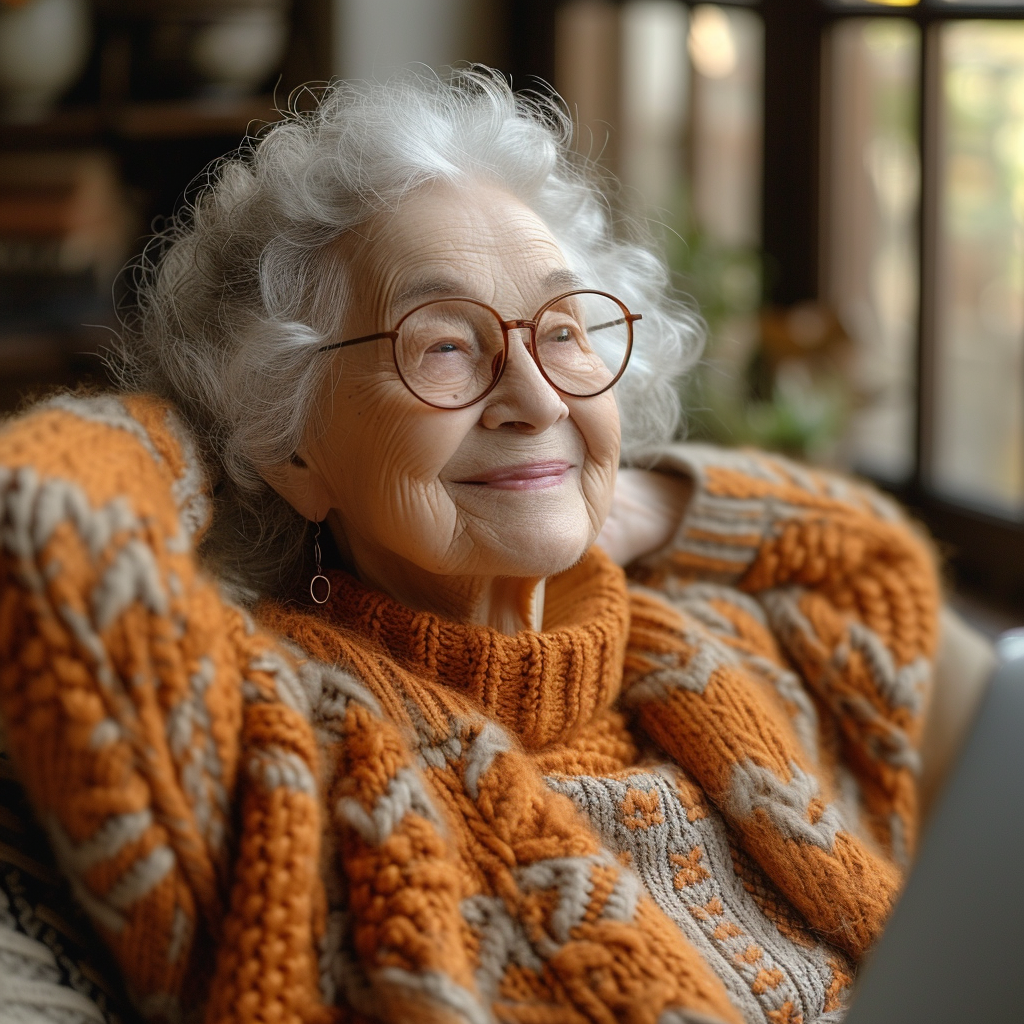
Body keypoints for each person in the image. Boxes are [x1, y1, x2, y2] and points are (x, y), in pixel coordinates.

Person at [0, 67, 967, 1024]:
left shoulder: (729, 652)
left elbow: (876, 560)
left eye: (561, 331)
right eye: (445, 346)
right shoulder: (264, 740)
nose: (540, 399)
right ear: (286, 436)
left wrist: (639, 502)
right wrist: (222, 449)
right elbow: (40, 517)